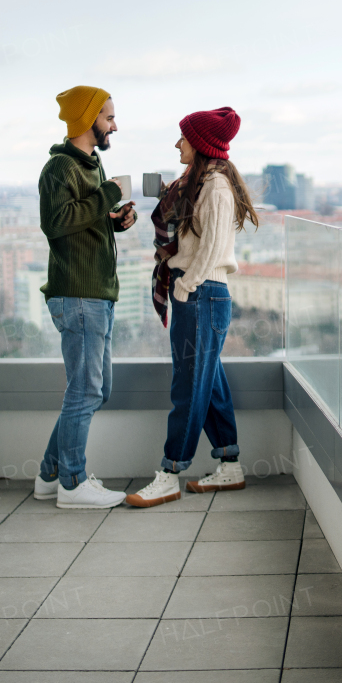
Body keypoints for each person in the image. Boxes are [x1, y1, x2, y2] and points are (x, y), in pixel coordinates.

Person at [127, 107, 259, 508]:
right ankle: (229, 465)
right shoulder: (201, 183)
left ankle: (169, 473)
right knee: (210, 382)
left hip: (202, 295)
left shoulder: (216, 188)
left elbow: (214, 248)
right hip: (202, 297)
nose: (176, 144)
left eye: (182, 138)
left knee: (188, 386)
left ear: (199, 144)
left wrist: (186, 285)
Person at [33, 86, 137, 510]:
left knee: (94, 389)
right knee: (85, 390)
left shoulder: (91, 165)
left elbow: (83, 221)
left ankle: (50, 474)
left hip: (95, 294)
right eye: (108, 117)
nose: (114, 124)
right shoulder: (59, 167)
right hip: (78, 297)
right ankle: (73, 484)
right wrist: (108, 196)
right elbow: (56, 223)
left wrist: (114, 221)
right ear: (87, 119)